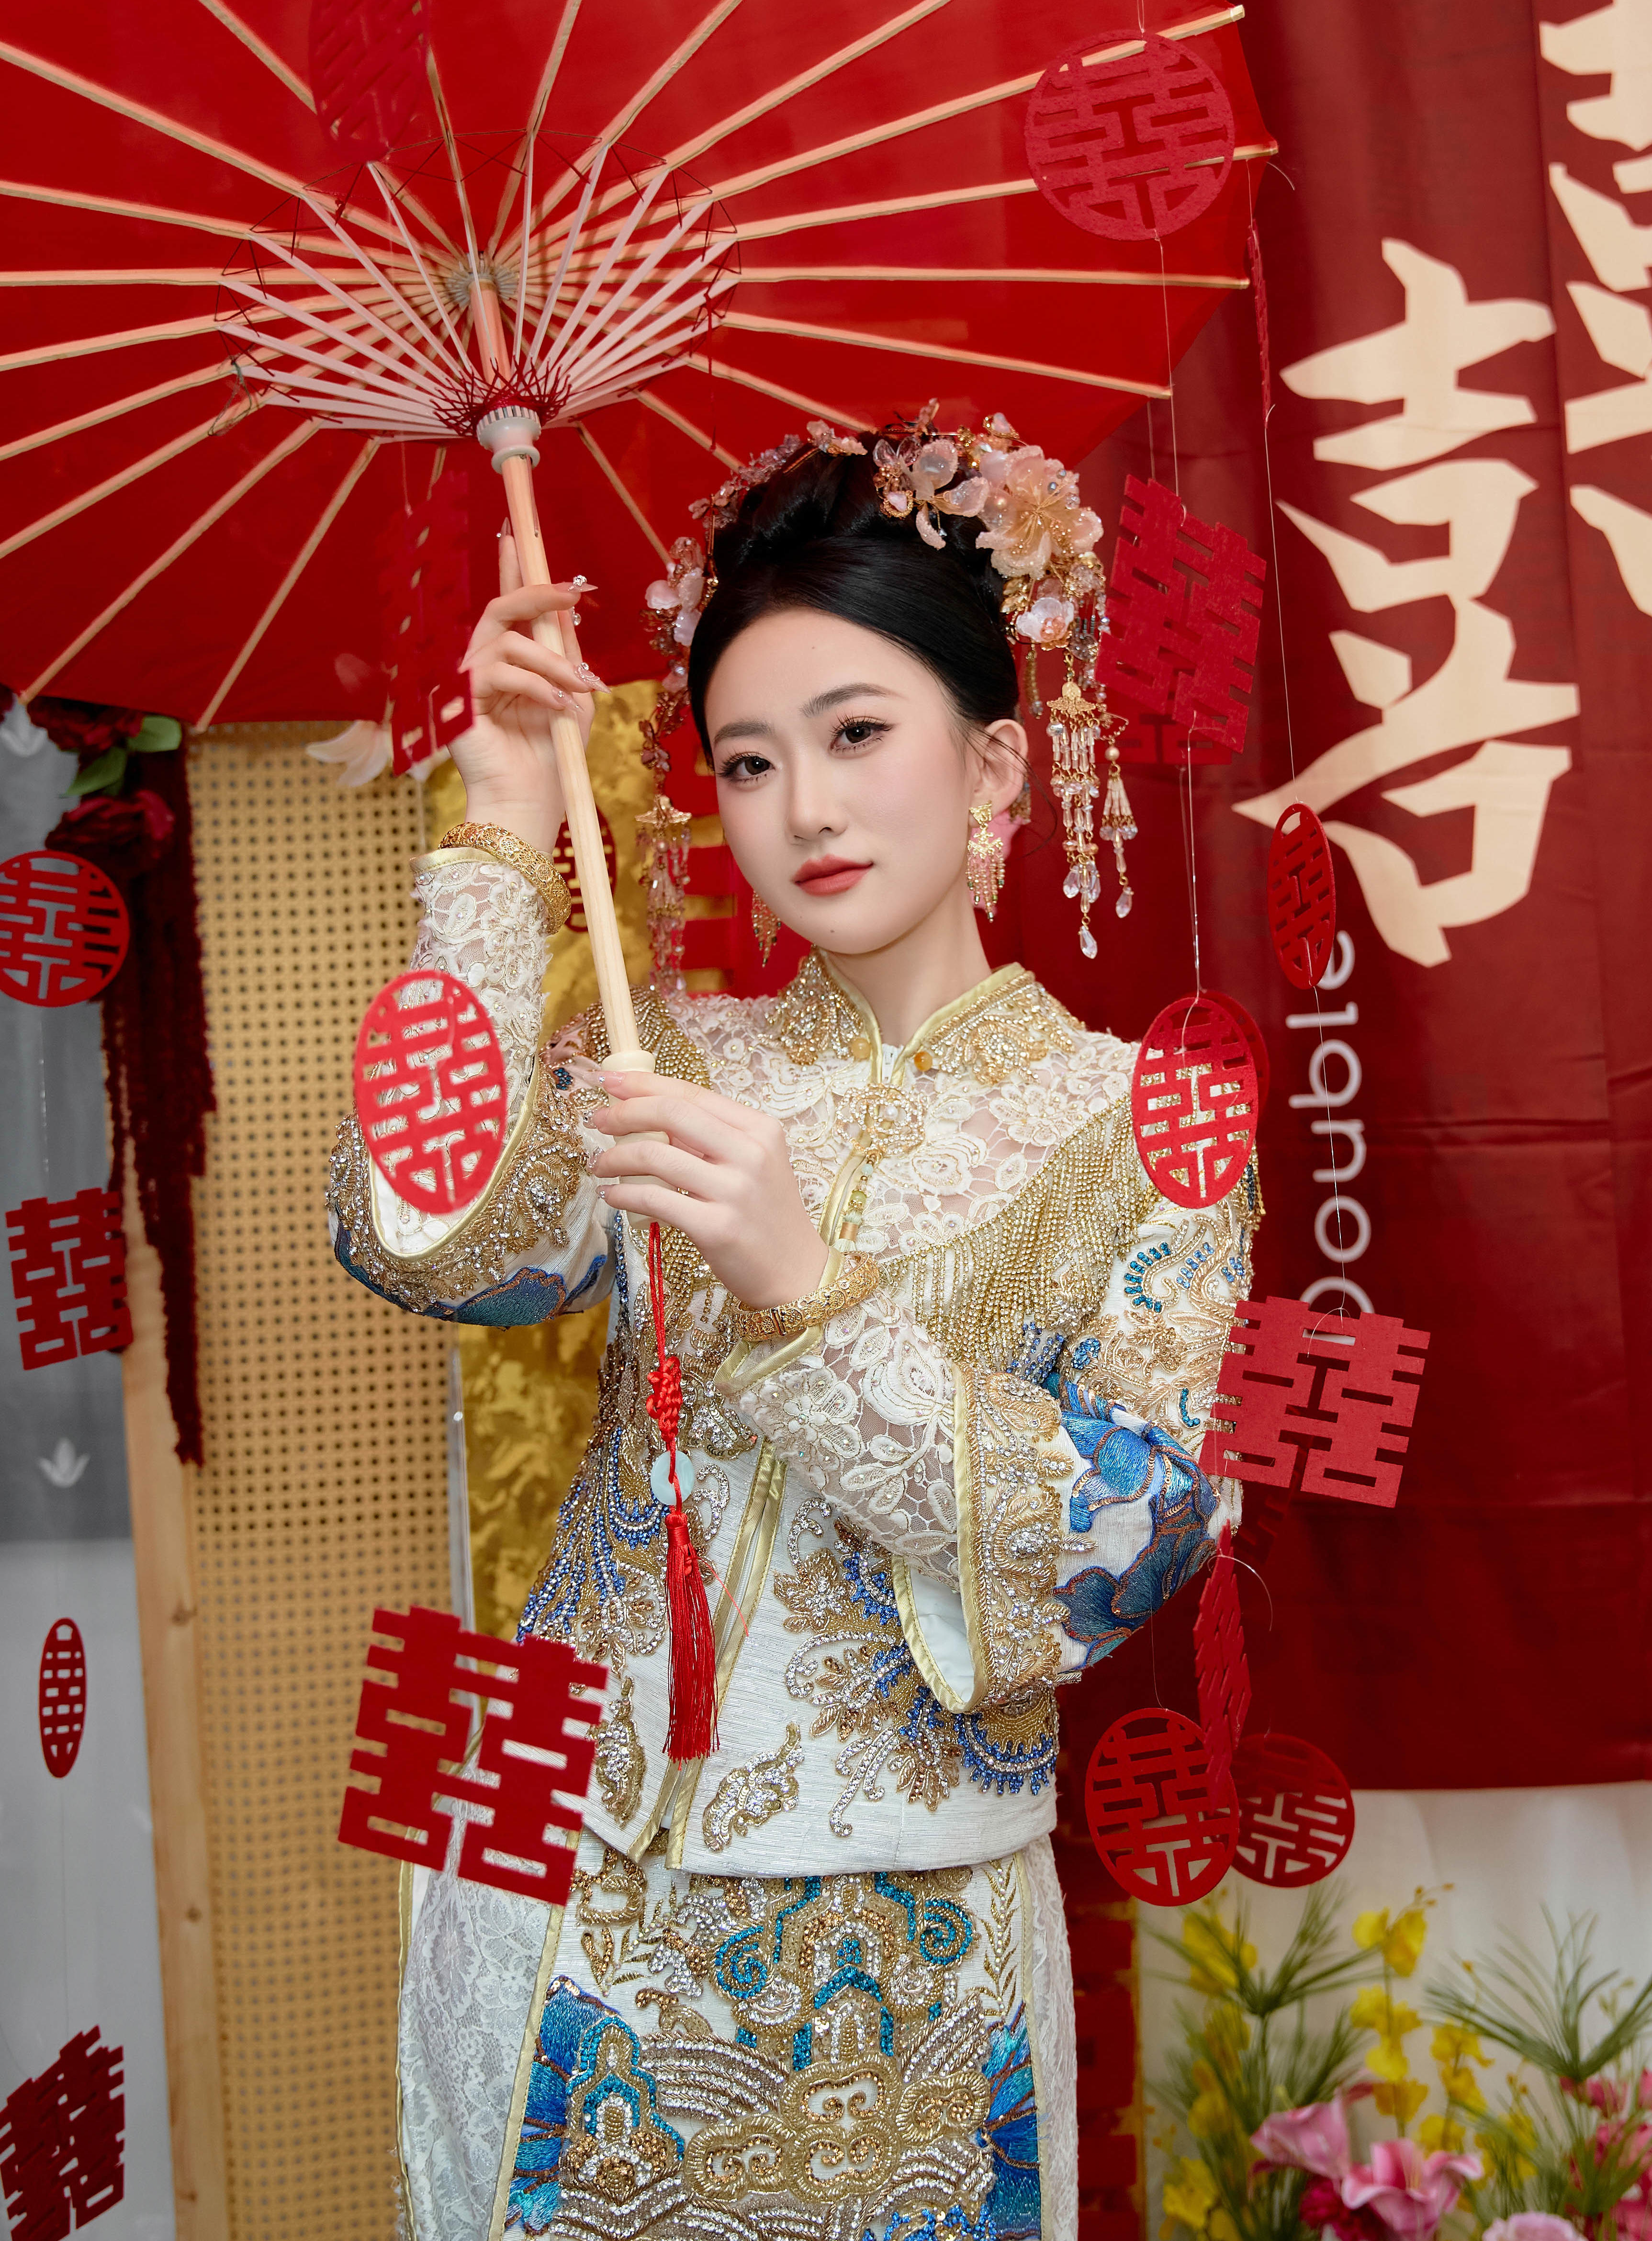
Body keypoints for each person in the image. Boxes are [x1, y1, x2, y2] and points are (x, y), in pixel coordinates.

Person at [328, 413, 1260, 2241]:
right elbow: (422, 1237)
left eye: (855, 735)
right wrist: (501, 823)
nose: (804, 810)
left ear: (996, 761)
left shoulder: (1146, 1126)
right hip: (562, 1881)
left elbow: (1124, 1546)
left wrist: (804, 1290)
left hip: (914, 1950)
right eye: (748, 762)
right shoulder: (671, 1058)